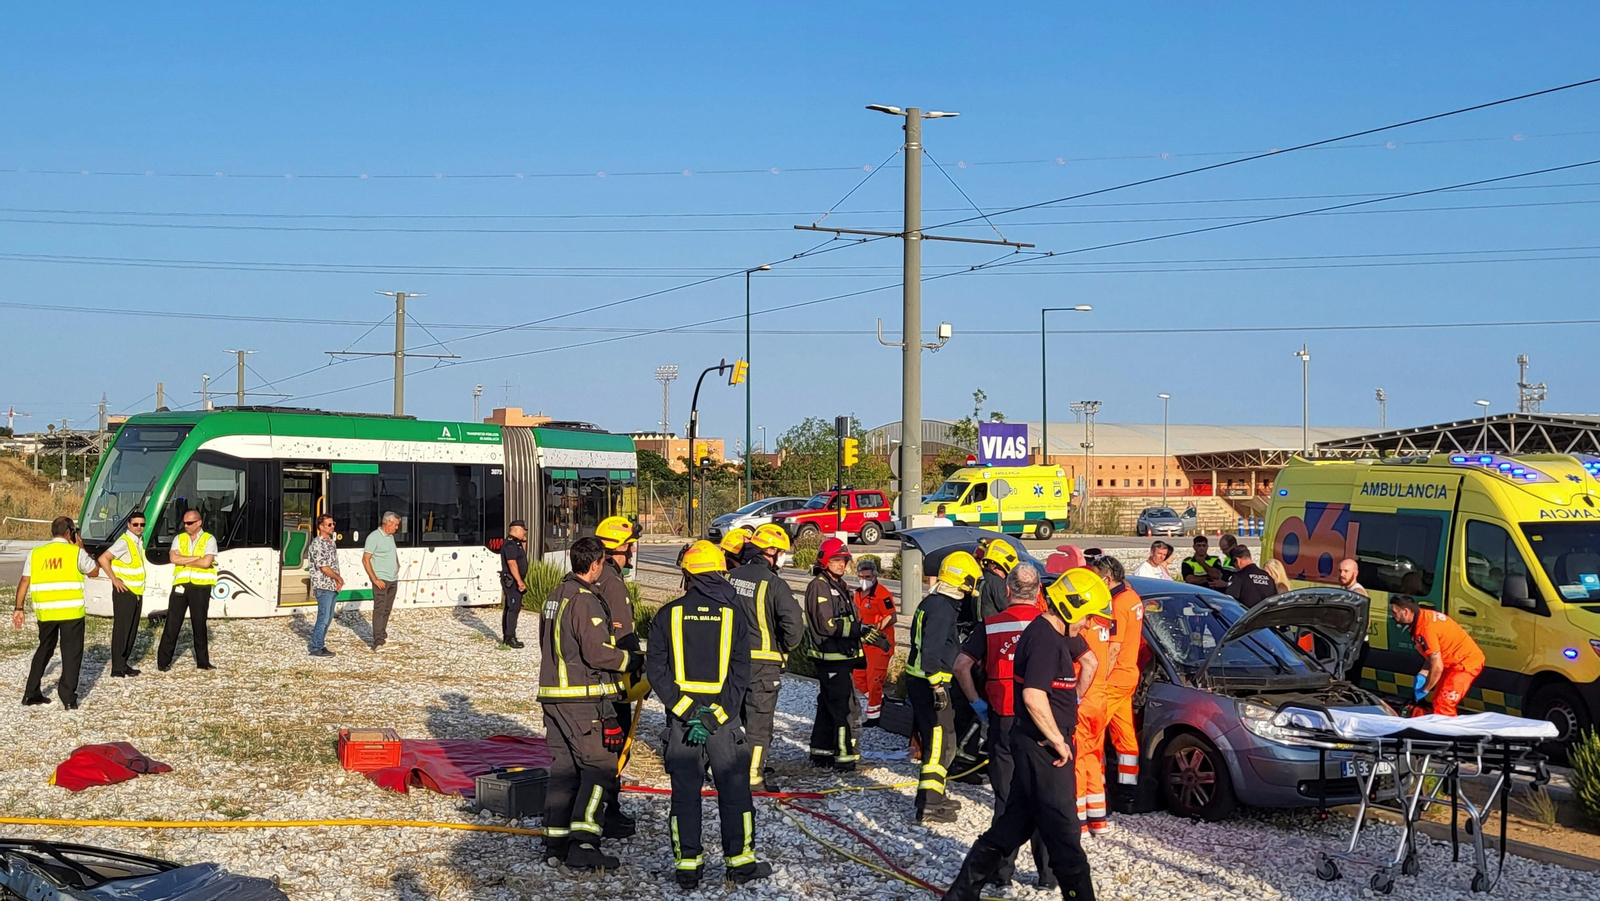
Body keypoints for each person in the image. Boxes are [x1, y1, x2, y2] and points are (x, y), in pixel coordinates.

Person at [940, 561, 1104, 901]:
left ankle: (962, 893)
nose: (1090, 624)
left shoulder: (1050, 633)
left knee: (1013, 822)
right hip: (1044, 748)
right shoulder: (1045, 638)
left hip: (1025, 738)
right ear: (1071, 607)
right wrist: (1058, 739)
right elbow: (1032, 695)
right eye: (1088, 616)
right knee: (1064, 829)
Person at [648, 540, 771, 888]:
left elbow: (656, 671)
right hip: (723, 722)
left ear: (687, 574)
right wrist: (714, 717)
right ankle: (741, 864)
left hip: (682, 722)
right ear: (718, 572)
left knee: (684, 793)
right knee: (734, 790)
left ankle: (688, 868)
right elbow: (740, 674)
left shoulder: (666, 615)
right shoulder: (734, 616)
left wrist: (688, 711)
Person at [537, 536, 640, 870]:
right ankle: (584, 843)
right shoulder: (584, 601)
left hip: (552, 696)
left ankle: (555, 842)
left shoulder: (554, 596)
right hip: (580, 699)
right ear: (596, 564)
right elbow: (598, 653)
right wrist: (633, 661)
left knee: (564, 771)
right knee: (600, 768)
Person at [952, 562, 1057, 889]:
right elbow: (1089, 662)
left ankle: (1001, 874)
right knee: (1044, 798)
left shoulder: (991, 625)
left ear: (1008, 591)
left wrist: (975, 702)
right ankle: (1049, 875)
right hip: (1041, 723)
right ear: (1039, 591)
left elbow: (961, 665)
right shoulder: (1049, 625)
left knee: (1007, 799)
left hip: (1004, 719)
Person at [727, 523, 807, 792]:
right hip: (764, 665)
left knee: (732, 720)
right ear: (770, 551)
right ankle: (753, 779)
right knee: (759, 724)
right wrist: (784, 647)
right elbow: (794, 626)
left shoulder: (731, 577)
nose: (783, 557)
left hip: (731, 663)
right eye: (782, 551)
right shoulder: (774, 584)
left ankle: (728, 771)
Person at [906, 551, 979, 824]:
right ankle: (930, 804)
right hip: (930, 685)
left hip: (921, 683)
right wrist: (937, 687)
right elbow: (931, 653)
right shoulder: (943, 609)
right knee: (939, 742)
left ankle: (936, 795)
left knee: (942, 740)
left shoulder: (933, 603)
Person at [802, 537, 888, 770]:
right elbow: (827, 625)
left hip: (841, 658)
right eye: (836, 560)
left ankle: (821, 752)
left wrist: (863, 631)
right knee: (843, 709)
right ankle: (844, 758)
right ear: (824, 561)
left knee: (828, 705)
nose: (841, 564)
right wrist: (860, 630)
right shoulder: (820, 586)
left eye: (844, 560)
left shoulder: (838, 585)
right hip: (830, 657)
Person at [592, 515, 643, 835]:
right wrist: (637, 668)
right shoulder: (612, 582)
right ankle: (608, 811)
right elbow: (623, 635)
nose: (633, 551)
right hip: (612, 677)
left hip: (593, 678)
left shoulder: (592, 576)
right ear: (614, 549)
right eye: (629, 546)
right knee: (612, 747)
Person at [15, 516, 98, 708]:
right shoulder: (75, 553)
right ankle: (68, 698)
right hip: (71, 613)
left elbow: (24, 581)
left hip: (46, 613)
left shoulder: (36, 553)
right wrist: (81, 548)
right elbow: (93, 571)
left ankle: (31, 692)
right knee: (71, 654)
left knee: (44, 650)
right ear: (70, 533)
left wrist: (18, 608)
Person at [1093, 555, 1144, 791]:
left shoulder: (1117, 604)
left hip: (1113, 678)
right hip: (1129, 674)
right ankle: (1128, 786)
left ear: (1107, 578)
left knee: (1094, 731)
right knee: (1124, 733)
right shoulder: (1133, 597)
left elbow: (1113, 646)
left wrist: (1100, 678)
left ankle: (1096, 783)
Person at [1390, 595, 1485, 717]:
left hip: (1464, 664)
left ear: (1406, 611)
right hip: (1453, 662)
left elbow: (1437, 666)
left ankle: (1448, 734)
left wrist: (1425, 688)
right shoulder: (1423, 617)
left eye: (1394, 612)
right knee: (1438, 701)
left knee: (1444, 704)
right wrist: (1423, 673)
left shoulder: (1425, 628)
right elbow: (1432, 654)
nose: (1393, 616)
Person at [1072, 573, 1115, 838]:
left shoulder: (1083, 627)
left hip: (1083, 698)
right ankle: (1098, 818)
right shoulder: (1103, 623)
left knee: (1077, 759)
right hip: (1101, 697)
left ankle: (1079, 823)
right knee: (1092, 758)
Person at [157, 509, 218, 671]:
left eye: (189, 523)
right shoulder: (179, 538)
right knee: (172, 623)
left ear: (199, 523)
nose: (186, 526)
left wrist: (183, 560)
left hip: (200, 586)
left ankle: (203, 662)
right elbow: (172, 558)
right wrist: (197, 559)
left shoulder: (209, 539)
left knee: (199, 623)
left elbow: (207, 563)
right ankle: (163, 663)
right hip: (181, 584)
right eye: (184, 522)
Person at [96, 511, 147, 676]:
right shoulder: (124, 542)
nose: (139, 527)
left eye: (142, 524)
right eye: (136, 524)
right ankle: (117, 667)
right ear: (129, 525)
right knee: (122, 630)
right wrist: (114, 579)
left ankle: (123, 663)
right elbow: (103, 558)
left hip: (136, 591)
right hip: (124, 591)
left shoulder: (139, 541)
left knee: (132, 629)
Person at [851, 557, 897, 728]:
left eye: (868, 577)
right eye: (861, 577)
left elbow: (892, 616)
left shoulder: (882, 594)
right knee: (858, 677)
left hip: (879, 643)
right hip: (864, 641)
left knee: (874, 679)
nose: (864, 581)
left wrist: (876, 628)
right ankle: (878, 701)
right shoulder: (857, 594)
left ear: (875, 576)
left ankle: (874, 716)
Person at [304, 514, 343, 657]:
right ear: (321, 527)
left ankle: (320, 644)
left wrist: (337, 581)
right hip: (323, 586)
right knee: (324, 617)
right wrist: (339, 579)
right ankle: (316, 647)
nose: (333, 527)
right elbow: (324, 567)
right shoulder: (318, 544)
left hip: (331, 585)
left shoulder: (331, 542)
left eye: (333, 524)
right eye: (329, 525)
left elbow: (334, 564)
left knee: (329, 616)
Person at [362, 511, 402, 651]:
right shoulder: (374, 537)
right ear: (388, 523)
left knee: (387, 609)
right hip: (381, 579)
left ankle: (382, 635)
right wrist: (374, 579)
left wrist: (397, 565)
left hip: (393, 579)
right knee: (379, 609)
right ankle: (378, 641)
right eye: (396, 525)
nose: (397, 528)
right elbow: (365, 559)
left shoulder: (390, 537)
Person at [499, 520, 529, 648]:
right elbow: (512, 564)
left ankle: (508, 636)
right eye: (523, 530)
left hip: (513, 580)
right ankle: (510, 637)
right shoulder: (510, 545)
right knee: (513, 608)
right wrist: (519, 582)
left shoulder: (515, 543)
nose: (525, 532)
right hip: (512, 581)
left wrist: (524, 541)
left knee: (511, 607)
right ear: (517, 530)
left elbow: (522, 556)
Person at [977, 538, 1019, 621]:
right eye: (1003, 570)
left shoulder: (982, 578)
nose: (1006, 574)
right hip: (994, 627)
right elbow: (1007, 607)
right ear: (995, 565)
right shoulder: (996, 581)